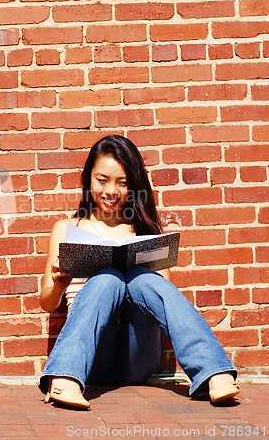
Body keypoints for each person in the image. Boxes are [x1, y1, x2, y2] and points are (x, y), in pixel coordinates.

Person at [39, 135, 239, 410]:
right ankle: (64, 377)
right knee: (107, 278)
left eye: (122, 182)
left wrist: (140, 270)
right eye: (102, 180)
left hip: (138, 356)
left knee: (143, 279)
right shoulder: (66, 228)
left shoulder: (142, 231)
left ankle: (214, 372)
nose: (112, 191)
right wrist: (61, 284)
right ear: (87, 179)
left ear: (133, 185)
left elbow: (164, 301)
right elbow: (47, 302)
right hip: (90, 358)